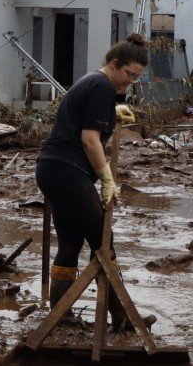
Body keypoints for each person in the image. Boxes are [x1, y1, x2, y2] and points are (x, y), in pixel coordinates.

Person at [36, 33, 150, 332]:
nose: (130, 82)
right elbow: (89, 139)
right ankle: (122, 316)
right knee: (103, 242)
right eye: (129, 74)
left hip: (54, 170)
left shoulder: (95, 83)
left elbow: (83, 123)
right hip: (67, 170)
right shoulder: (101, 86)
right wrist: (108, 179)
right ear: (114, 64)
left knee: (71, 243)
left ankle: (60, 316)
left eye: (136, 78)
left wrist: (112, 115)